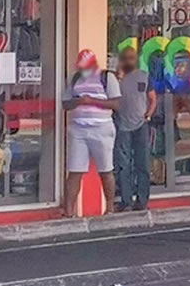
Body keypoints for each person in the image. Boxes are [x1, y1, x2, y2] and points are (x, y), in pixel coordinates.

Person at [62, 49, 121, 217]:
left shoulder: (107, 78)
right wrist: (78, 102)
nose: (83, 70)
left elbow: (116, 104)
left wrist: (91, 101)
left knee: (106, 170)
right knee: (74, 171)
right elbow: (65, 104)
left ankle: (109, 208)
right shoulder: (75, 78)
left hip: (102, 128)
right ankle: (69, 212)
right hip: (78, 129)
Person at [113, 46, 156, 212]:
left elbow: (152, 99)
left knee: (142, 164)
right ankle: (126, 201)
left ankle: (142, 201)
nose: (128, 61)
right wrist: (119, 78)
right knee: (124, 165)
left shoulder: (144, 76)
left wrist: (148, 115)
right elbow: (112, 98)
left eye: (131, 57)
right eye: (125, 58)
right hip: (122, 126)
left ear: (136, 59)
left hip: (141, 126)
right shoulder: (116, 78)